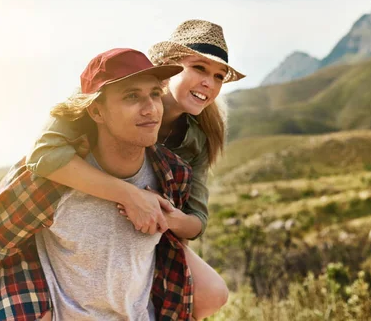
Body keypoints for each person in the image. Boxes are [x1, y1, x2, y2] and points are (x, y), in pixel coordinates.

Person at [26, 19, 246, 319]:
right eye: (199, 68)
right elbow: (42, 154)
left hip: (149, 227)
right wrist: (131, 195)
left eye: (218, 76)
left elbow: (197, 221)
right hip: (84, 200)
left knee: (212, 294)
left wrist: (164, 216)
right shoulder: (108, 90)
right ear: (169, 66)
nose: (209, 82)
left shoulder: (197, 138)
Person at [0, 48, 195, 320]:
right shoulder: (52, 180)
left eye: (155, 94)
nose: (151, 109)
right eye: (131, 96)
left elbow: (174, 254)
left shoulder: (173, 175)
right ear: (96, 112)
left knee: (214, 294)